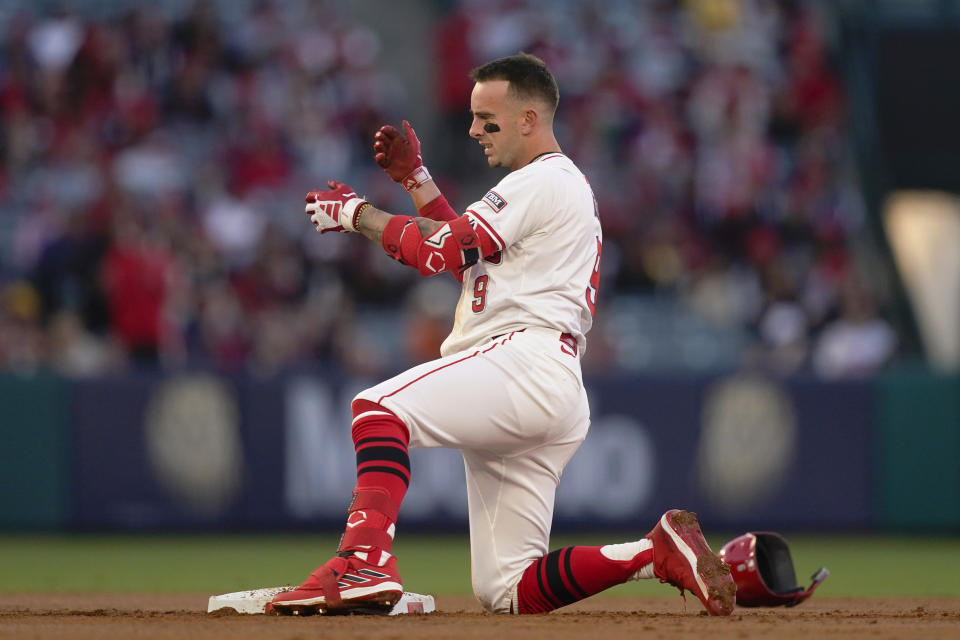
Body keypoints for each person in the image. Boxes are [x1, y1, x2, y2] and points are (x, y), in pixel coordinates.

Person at [271, 53, 735, 616]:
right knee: (508, 589)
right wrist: (416, 181)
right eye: (472, 117)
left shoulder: (541, 179)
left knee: (377, 409)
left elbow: (440, 248)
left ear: (528, 119)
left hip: (522, 359)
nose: (472, 130)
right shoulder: (549, 187)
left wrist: (356, 215)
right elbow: (467, 261)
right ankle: (651, 553)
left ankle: (363, 561)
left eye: (485, 118)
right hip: (550, 383)